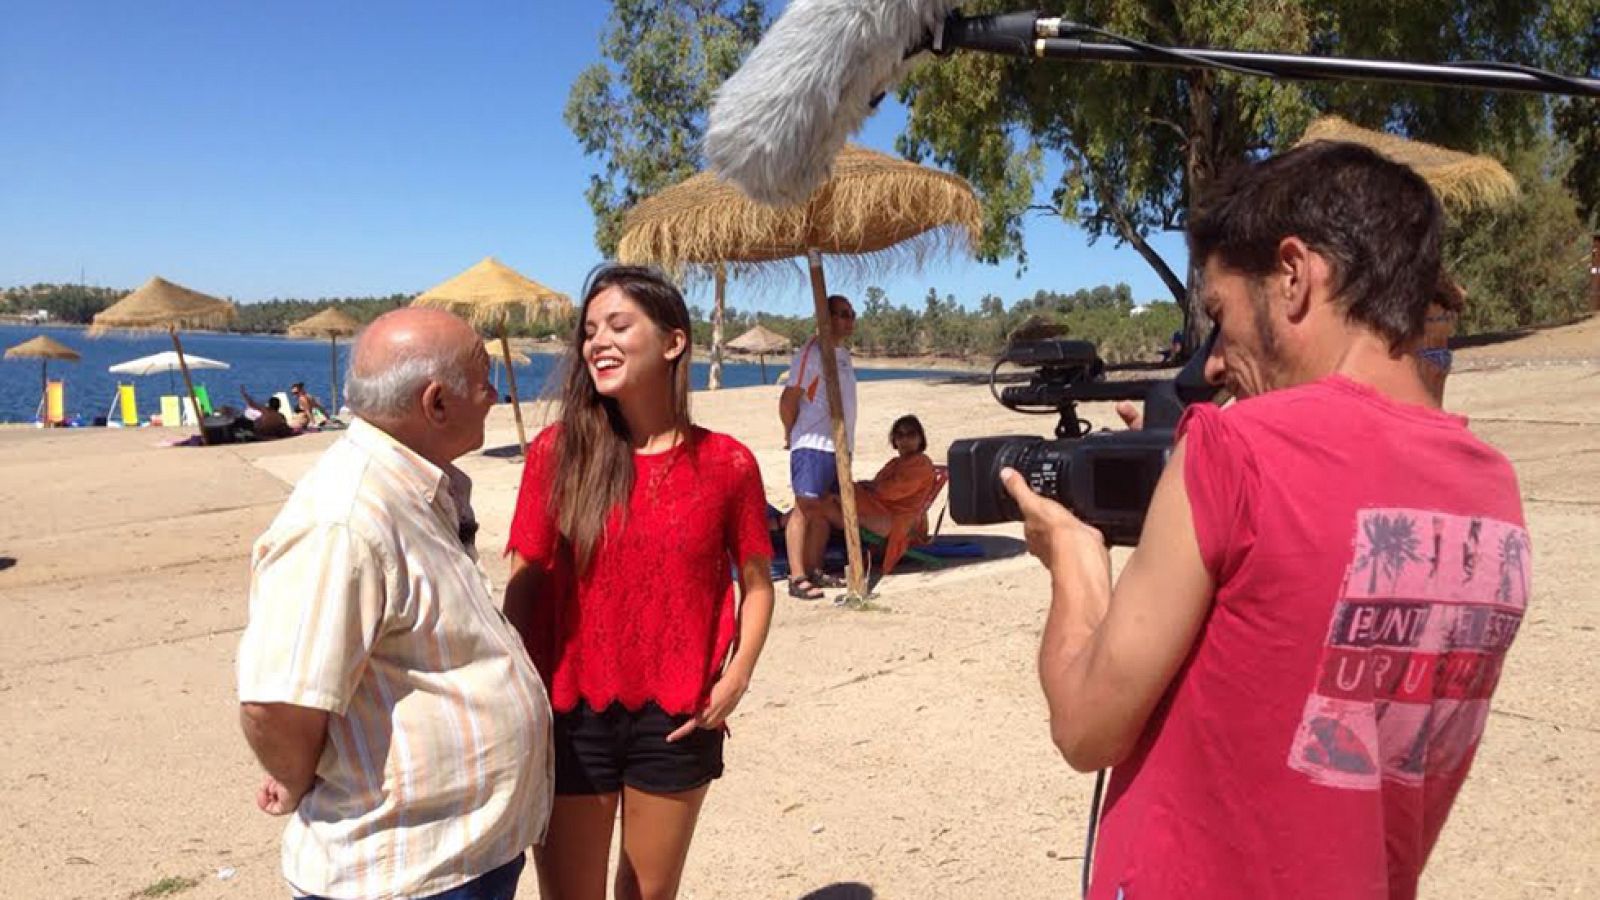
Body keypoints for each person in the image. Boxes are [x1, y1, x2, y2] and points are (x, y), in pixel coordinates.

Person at [1002, 142, 1530, 899]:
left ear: (1293, 275)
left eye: (1220, 316)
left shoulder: (1234, 451)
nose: (1214, 363)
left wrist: (1076, 561)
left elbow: (1086, 729)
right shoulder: (1495, 496)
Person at [237, 307, 552, 900]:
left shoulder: (413, 488)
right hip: (403, 875)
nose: (494, 395)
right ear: (436, 403)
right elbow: (273, 703)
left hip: (454, 858)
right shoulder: (344, 520)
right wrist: (294, 772)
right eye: (485, 380)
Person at [503, 265, 775, 900]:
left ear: (673, 341)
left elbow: (758, 583)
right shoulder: (558, 452)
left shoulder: (727, 464)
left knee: (648, 895)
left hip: (679, 714)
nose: (598, 341)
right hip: (569, 710)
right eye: (590, 330)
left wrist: (736, 677)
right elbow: (525, 578)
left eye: (619, 326)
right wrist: (517, 687)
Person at [779, 293, 857, 600]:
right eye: (842, 313)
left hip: (838, 445)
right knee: (805, 507)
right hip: (812, 443)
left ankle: (814, 569)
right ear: (825, 318)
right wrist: (791, 434)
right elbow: (788, 400)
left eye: (852, 313)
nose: (849, 319)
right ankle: (796, 576)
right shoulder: (810, 354)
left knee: (824, 510)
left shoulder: (842, 355)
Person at [820, 415, 937, 574]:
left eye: (911, 434)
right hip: (883, 510)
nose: (905, 440)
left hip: (900, 521)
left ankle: (785, 525)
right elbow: (879, 488)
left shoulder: (920, 463)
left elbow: (889, 492)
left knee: (834, 497)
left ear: (920, 438)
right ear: (894, 440)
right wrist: (866, 487)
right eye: (900, 435)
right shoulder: (895, 463)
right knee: (832, 497)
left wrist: (866, 487)